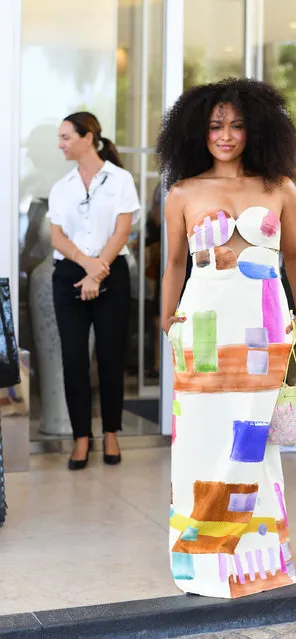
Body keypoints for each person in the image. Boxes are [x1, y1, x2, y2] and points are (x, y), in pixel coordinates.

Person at [158, 78, 296, 598]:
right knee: (199, 440)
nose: (225, 135)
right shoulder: (182, 192)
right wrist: (166, 319)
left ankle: (254, 552)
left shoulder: (280, 187)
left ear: (257, 129)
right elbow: (175, 262)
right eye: (216, 125)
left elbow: (294, 256)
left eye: (237, 125)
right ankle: (200, 550)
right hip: (200, 329)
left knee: (254, 439)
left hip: (264, 327)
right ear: (197, 131)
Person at [48, 112, 140, 470]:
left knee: (111, 356)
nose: (61, 144)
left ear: (88, 138)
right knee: (73, 359)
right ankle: (81, 438)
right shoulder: (62, 186)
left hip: (111, 271)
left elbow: (122, 232)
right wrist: (87, 266)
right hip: (71, 271)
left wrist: (98, 271)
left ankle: (112, 434)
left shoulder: (119, 180)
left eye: (65, 137)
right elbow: (57, 237)